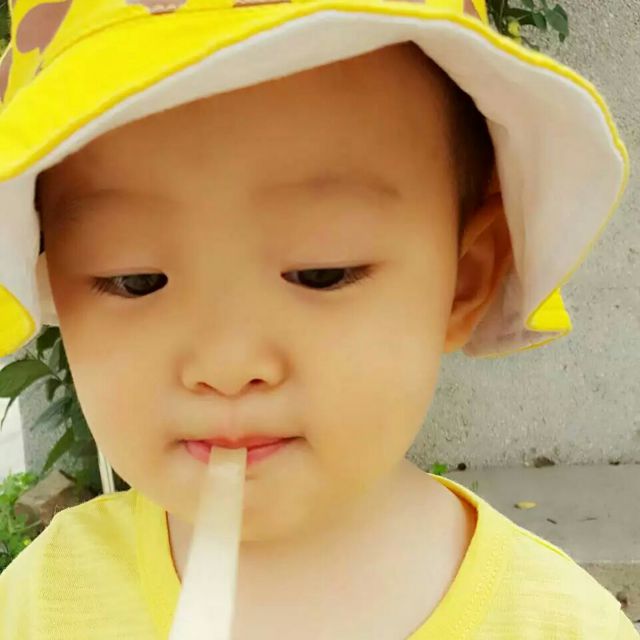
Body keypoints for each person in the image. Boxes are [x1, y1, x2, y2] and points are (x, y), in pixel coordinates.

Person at [0, 0, 635, 638]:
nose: (227, 365)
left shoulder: (561, 627)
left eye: (321, 272)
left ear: (463, 280)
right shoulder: (41, 606)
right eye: (135, 280)